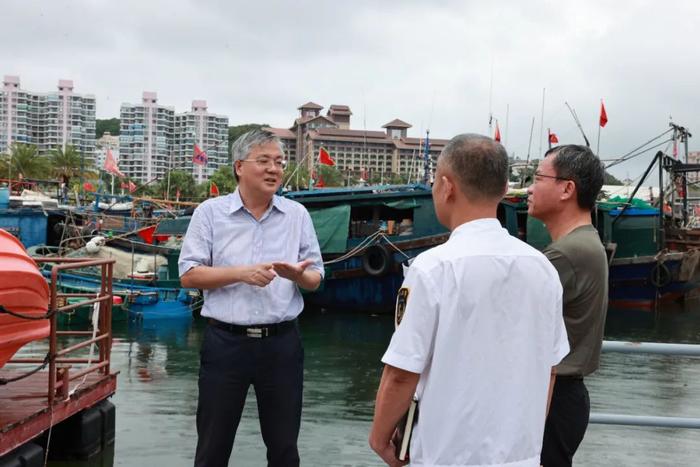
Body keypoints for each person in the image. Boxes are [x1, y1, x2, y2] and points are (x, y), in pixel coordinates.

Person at [369, 134, 569, 467]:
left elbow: (402, 373)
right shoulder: (542, 268)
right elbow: (550, 368)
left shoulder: (432, 268)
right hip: (521, 458)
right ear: (504, 189)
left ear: (447, 187)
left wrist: (379, 438)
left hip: (446, 457)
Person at [178, 128, 324, 467]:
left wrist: (298, 276)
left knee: (285, 449)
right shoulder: (210, 213)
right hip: (225, 344)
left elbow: (316, 278)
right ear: (239, 166)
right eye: (264, 161)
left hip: (282, 345)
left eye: (279, 161)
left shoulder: (297, 215)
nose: (274, 169)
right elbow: (189, 275)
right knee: (213, 448)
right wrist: (242, 273)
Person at [527, 144, 608, 467]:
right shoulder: (584, 242)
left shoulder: (565, 255)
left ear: (567, 189)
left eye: (538, 178)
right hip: (565, 396)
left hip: (553, 398)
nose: (530, 187)